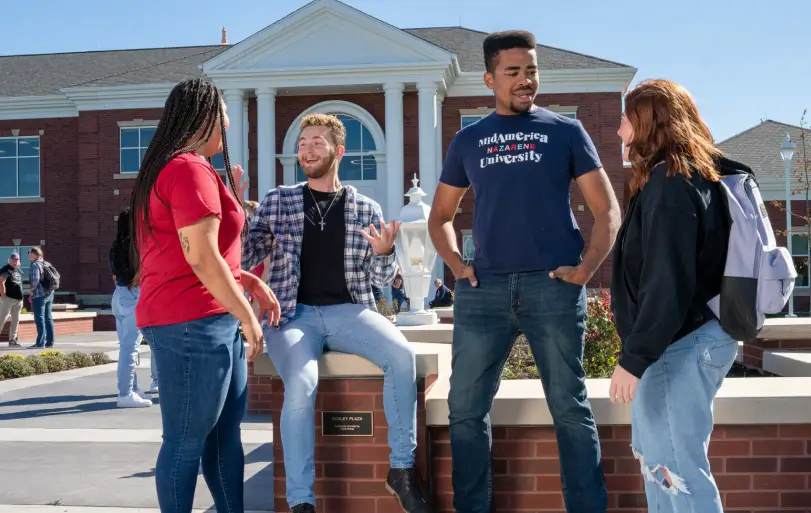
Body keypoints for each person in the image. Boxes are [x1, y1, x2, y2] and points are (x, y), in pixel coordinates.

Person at [427, 30, 620, 513]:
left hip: (552, 288)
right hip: (484, 290)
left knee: (571, 409)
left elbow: (607, 210)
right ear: (490, 79)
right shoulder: (468, 139)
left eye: (531, 70)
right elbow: (439, 216)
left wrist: (586, 269)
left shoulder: (565, 132)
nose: (525, 80)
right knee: (465, 410)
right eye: (513, 72)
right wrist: (456, 265)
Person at [243, 113, 432, 513]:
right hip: (293, 316)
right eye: (302, 143)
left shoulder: (366, 208)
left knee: (402, 357)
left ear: (337, 151)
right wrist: (234, 214)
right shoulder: (279, 201)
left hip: (349, 311)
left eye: (316, 143)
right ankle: (301, 501)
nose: (306, 150)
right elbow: (245, 255)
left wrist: (384, 254)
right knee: (301, 382)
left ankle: (400, 470)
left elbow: (381, 277)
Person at [129, 77, 280, 513]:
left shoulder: (186, 167)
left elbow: (200, 254)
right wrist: (247, 317)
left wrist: (247, 283)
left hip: (212, 319)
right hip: (191, 324)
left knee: (221, 440)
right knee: (186, 442)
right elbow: (201, 259)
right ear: (206, 117)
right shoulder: (187, 168)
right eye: (225, 113)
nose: (229, 122)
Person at [609, 79, 737, 513]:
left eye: (626, 120)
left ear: (648, 122)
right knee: (665, 472)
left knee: (678, 476)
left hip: (677, 347)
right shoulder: (689, 178)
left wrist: (635, 358)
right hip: (683, 344)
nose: (620, 132)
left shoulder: (670, 185)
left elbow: (667, 282)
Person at [110, 208, 152, 408]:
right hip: (132, 296)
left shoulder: (115, 246)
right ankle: (125, 393)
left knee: (126, 346)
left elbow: (116, 275)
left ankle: (132, 389)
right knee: (130, 348)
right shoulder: (136, 247)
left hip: (119, 295)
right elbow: (142, 272)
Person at [27, 247, 55, 349]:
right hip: (50, 294)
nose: (29, 256)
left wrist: (31, 291)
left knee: (39, 318)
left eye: (30, 253)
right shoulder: (46, 263)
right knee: (48, 318)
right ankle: (50, 342)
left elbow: (35, 280)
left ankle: (40, 343)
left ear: (35, 254)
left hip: (39, 295)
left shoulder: (35, 265)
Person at [0, 252, 23, 347]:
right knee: (1, 319)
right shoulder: (6, 269)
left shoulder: (18, 270)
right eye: (13, 259)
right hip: (8, 299)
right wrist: (3, 295)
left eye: (16, 260)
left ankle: (12, 340)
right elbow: (1, 280)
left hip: (18, 300)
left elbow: (19, 284)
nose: (15, 261)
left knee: (16, 320)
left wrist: (22, 298)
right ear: (9, 260)